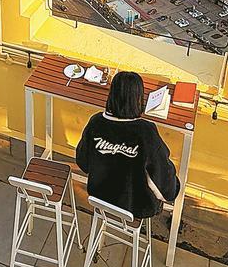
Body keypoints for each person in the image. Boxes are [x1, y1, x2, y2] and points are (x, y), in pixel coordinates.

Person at [76, 71, 180, 220]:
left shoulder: (96, 122)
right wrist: (175, 186)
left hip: (100, 198)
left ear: (111, 95)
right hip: (137, 207)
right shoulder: (146, 131)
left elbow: (83, 163)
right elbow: (165, 187)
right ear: (138, 98)